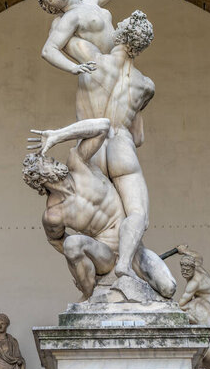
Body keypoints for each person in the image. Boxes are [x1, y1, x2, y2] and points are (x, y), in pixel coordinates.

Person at [23, 118, 176, 300]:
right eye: (46, 161)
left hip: (134, 248)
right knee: (72, 244)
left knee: (168, 288)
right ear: (38, 177)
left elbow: (103, 125)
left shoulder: (78, 163)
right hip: (105, 255)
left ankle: (124, 266)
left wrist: (58, 135)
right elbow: (56, 241)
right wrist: (81, 265)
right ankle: (89, 295)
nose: (52, 160)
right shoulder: (54, 214)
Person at [68, 10, 155, 281]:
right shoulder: (145, 85)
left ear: (118, 34)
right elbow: (138, 137)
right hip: (121, 146)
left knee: (99, 221)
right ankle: (124, 265)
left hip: (92, 148)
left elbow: (63, 35)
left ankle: (97, 267)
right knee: (137, 213)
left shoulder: (91, 56)